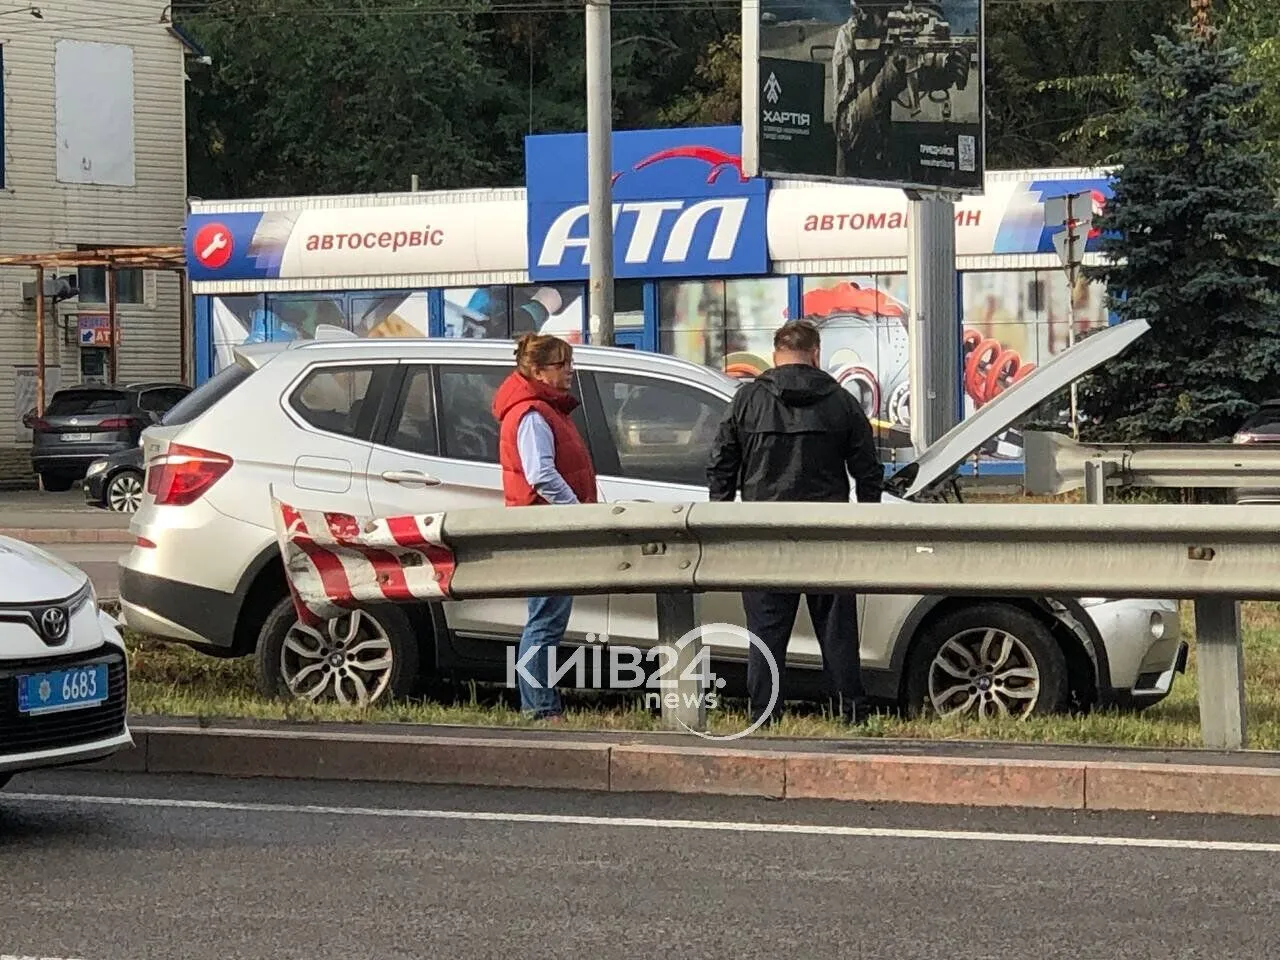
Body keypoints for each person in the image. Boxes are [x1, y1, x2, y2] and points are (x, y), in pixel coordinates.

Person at [706, 319, 884, 726]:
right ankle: (849, 714)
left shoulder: (748, 400)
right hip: (828, 534)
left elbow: (720, 466)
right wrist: (867, 521)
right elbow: (868, 471)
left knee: (766, 634)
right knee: (837, 633)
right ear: (816, 354)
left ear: (775, 354)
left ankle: (764, 715)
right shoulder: (841, 401)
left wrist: (723, 517)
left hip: (763, 533)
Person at [491, 332, 598, 722]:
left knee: (546, 619)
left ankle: (540, 704)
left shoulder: (540, 409)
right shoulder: (533, 413)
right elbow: (541, 475)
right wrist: (575, 511)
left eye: (570, 363)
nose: (570, 372)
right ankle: (539, 708)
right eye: (562, 365)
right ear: (537, 371)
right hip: (547, 530)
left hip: (546, 526)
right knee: (545, 622)